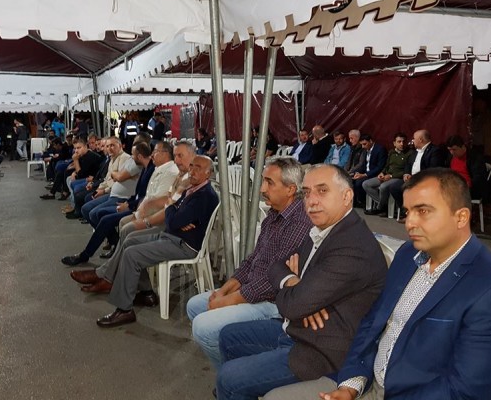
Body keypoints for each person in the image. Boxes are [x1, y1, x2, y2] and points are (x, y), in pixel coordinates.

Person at [265, 168, 491, 400]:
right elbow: (372, 324)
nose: (409, 223)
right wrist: (351, 383)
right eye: (408, 212)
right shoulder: (408, 254)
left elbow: (467, 390)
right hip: (367, 382)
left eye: (423, 211)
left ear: (461, 217)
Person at [215, 164, 388, 400]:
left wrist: (297, 294)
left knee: (229, 378)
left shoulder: (352, 245)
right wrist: (293, 282)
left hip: (320, 350)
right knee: (228, 337)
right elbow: (277, 266)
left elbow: (292, 306)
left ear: (347, 196)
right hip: (297, 329)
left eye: (322, 191)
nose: (311, 201)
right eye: (306, 193)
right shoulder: (323, 229)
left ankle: (233, 390)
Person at [187, 157, 313, 369]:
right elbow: (253, 259)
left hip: (272, 303)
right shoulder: (274, 215)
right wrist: (224, 290)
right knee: (194, 306)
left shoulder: (299, 223)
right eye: (263, 181)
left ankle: (231, 375)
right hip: (252, 290)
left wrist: (229, 300)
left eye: (269, 183)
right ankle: (232, 366)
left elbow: (272, 281)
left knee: (203, 327)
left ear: (291, 189)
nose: (262, 188)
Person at [95, 155, 219, 327]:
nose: (192, 171)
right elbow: (174, 217)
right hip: (174, 236)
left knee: (132, 254)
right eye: (191, 166)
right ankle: (146, 293)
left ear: (208, 174)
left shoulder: (204, 196)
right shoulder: (192, 189)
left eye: (198, 168)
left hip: (184, 245)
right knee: (130, 241)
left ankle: (124, 310)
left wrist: (171, 207)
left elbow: (172, 217)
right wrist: (175, 212)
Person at [68, 141, 195, 296]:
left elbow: (167, 206)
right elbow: (167, 203)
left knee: (128, 234)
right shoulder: (177, 174)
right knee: (123, 230)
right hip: (156, 217)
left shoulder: (180, 176)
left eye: (180, 156)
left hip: (169, 229)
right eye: (176, 156)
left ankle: (110, 278)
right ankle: (117, 279)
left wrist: (146, 217)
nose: (177, 160)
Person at [362, 132, 408, 216]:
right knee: (366, 184)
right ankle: (384, 205)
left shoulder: (409, 153)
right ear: (394, 143)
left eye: (403, 142)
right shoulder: (391, 152)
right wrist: (382, 173)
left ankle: (379, 208)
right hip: (386, 175)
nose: (402, 144)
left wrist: (391, 176)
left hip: (397, 177)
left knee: (383, 187)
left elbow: (406, 170)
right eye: (399, 142)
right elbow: (386, 165)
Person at [445, 134, 488, 200]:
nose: (452, 152)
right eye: (449, 150)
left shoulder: (475, 157)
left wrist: (464, 185)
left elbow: (479, 178)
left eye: (454, 149)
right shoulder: (451, 157)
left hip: (470, 188)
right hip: (454, 185)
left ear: (463, 146)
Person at [350, 134, 387, 207]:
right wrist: (356, 173)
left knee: (359, 183)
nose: (363, 146)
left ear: (370, 141)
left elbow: (379, 167)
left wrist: (364, 175)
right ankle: (356, 202)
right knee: (351, 180)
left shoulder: (380, 149)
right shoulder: (365, 150)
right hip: (366, 173)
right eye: (362, 144)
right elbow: (364, 165)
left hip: (375, 174)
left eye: (364, 144)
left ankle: (365, 203)